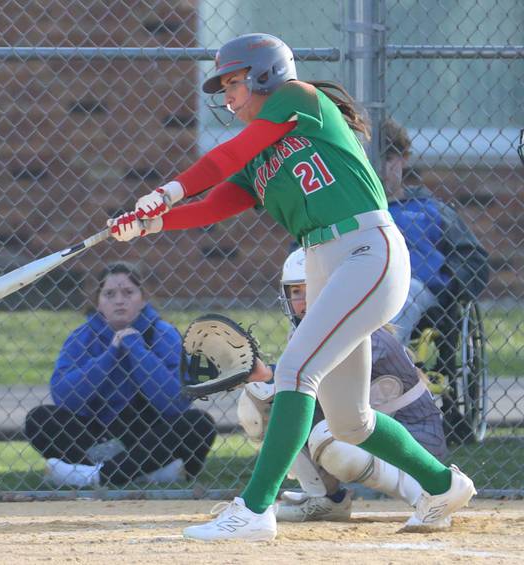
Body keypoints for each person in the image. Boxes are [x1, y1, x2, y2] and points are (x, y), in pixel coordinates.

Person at [107, 32, 475, 541]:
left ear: (265, 75)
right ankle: (442, 486)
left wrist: (167, 191)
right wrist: (151, 223)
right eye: (224, 87)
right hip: (323, 259)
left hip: (366, 248)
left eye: (233, 83)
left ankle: (255, 510)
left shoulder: (298, 98)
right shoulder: (259, 153)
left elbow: (226, 157)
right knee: (350, 422)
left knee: (295, 372)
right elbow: (216, 204)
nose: (228, 97)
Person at [237, 248, 447, 522]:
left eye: (313, 289)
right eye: (296, 292)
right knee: (257, 401)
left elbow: (312, 378)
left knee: (326, 434)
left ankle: (431, 497)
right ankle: (326, 498)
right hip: (366, 433)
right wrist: (259, 379)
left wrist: (266, 374)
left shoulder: (362, 332)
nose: (304, 300)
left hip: (416, 443)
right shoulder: (304, 332)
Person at [24, 261, 217, 487]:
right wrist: (110, 354)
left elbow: (175, 402)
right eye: (109, 294)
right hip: (100, 437)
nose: (119, 300)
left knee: (199, 423)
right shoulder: (82, 336)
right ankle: (147, 472)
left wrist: (135, 347)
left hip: (151, 436)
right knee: (39, 419)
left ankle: (94, 476)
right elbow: (65, 398)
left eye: (128, 292)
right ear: (98, 302)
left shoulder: (163, 333)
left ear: (142, 299)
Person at [382, 119, 489, 345]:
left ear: (404, 158)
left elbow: (473, 259)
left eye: (387, 158)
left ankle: (382, 357)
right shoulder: (349, 211)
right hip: (361, 283)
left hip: (415, 287)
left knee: (403, 295)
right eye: (369, 159)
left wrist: (446, 283)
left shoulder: (430, 209)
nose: (378, 168)